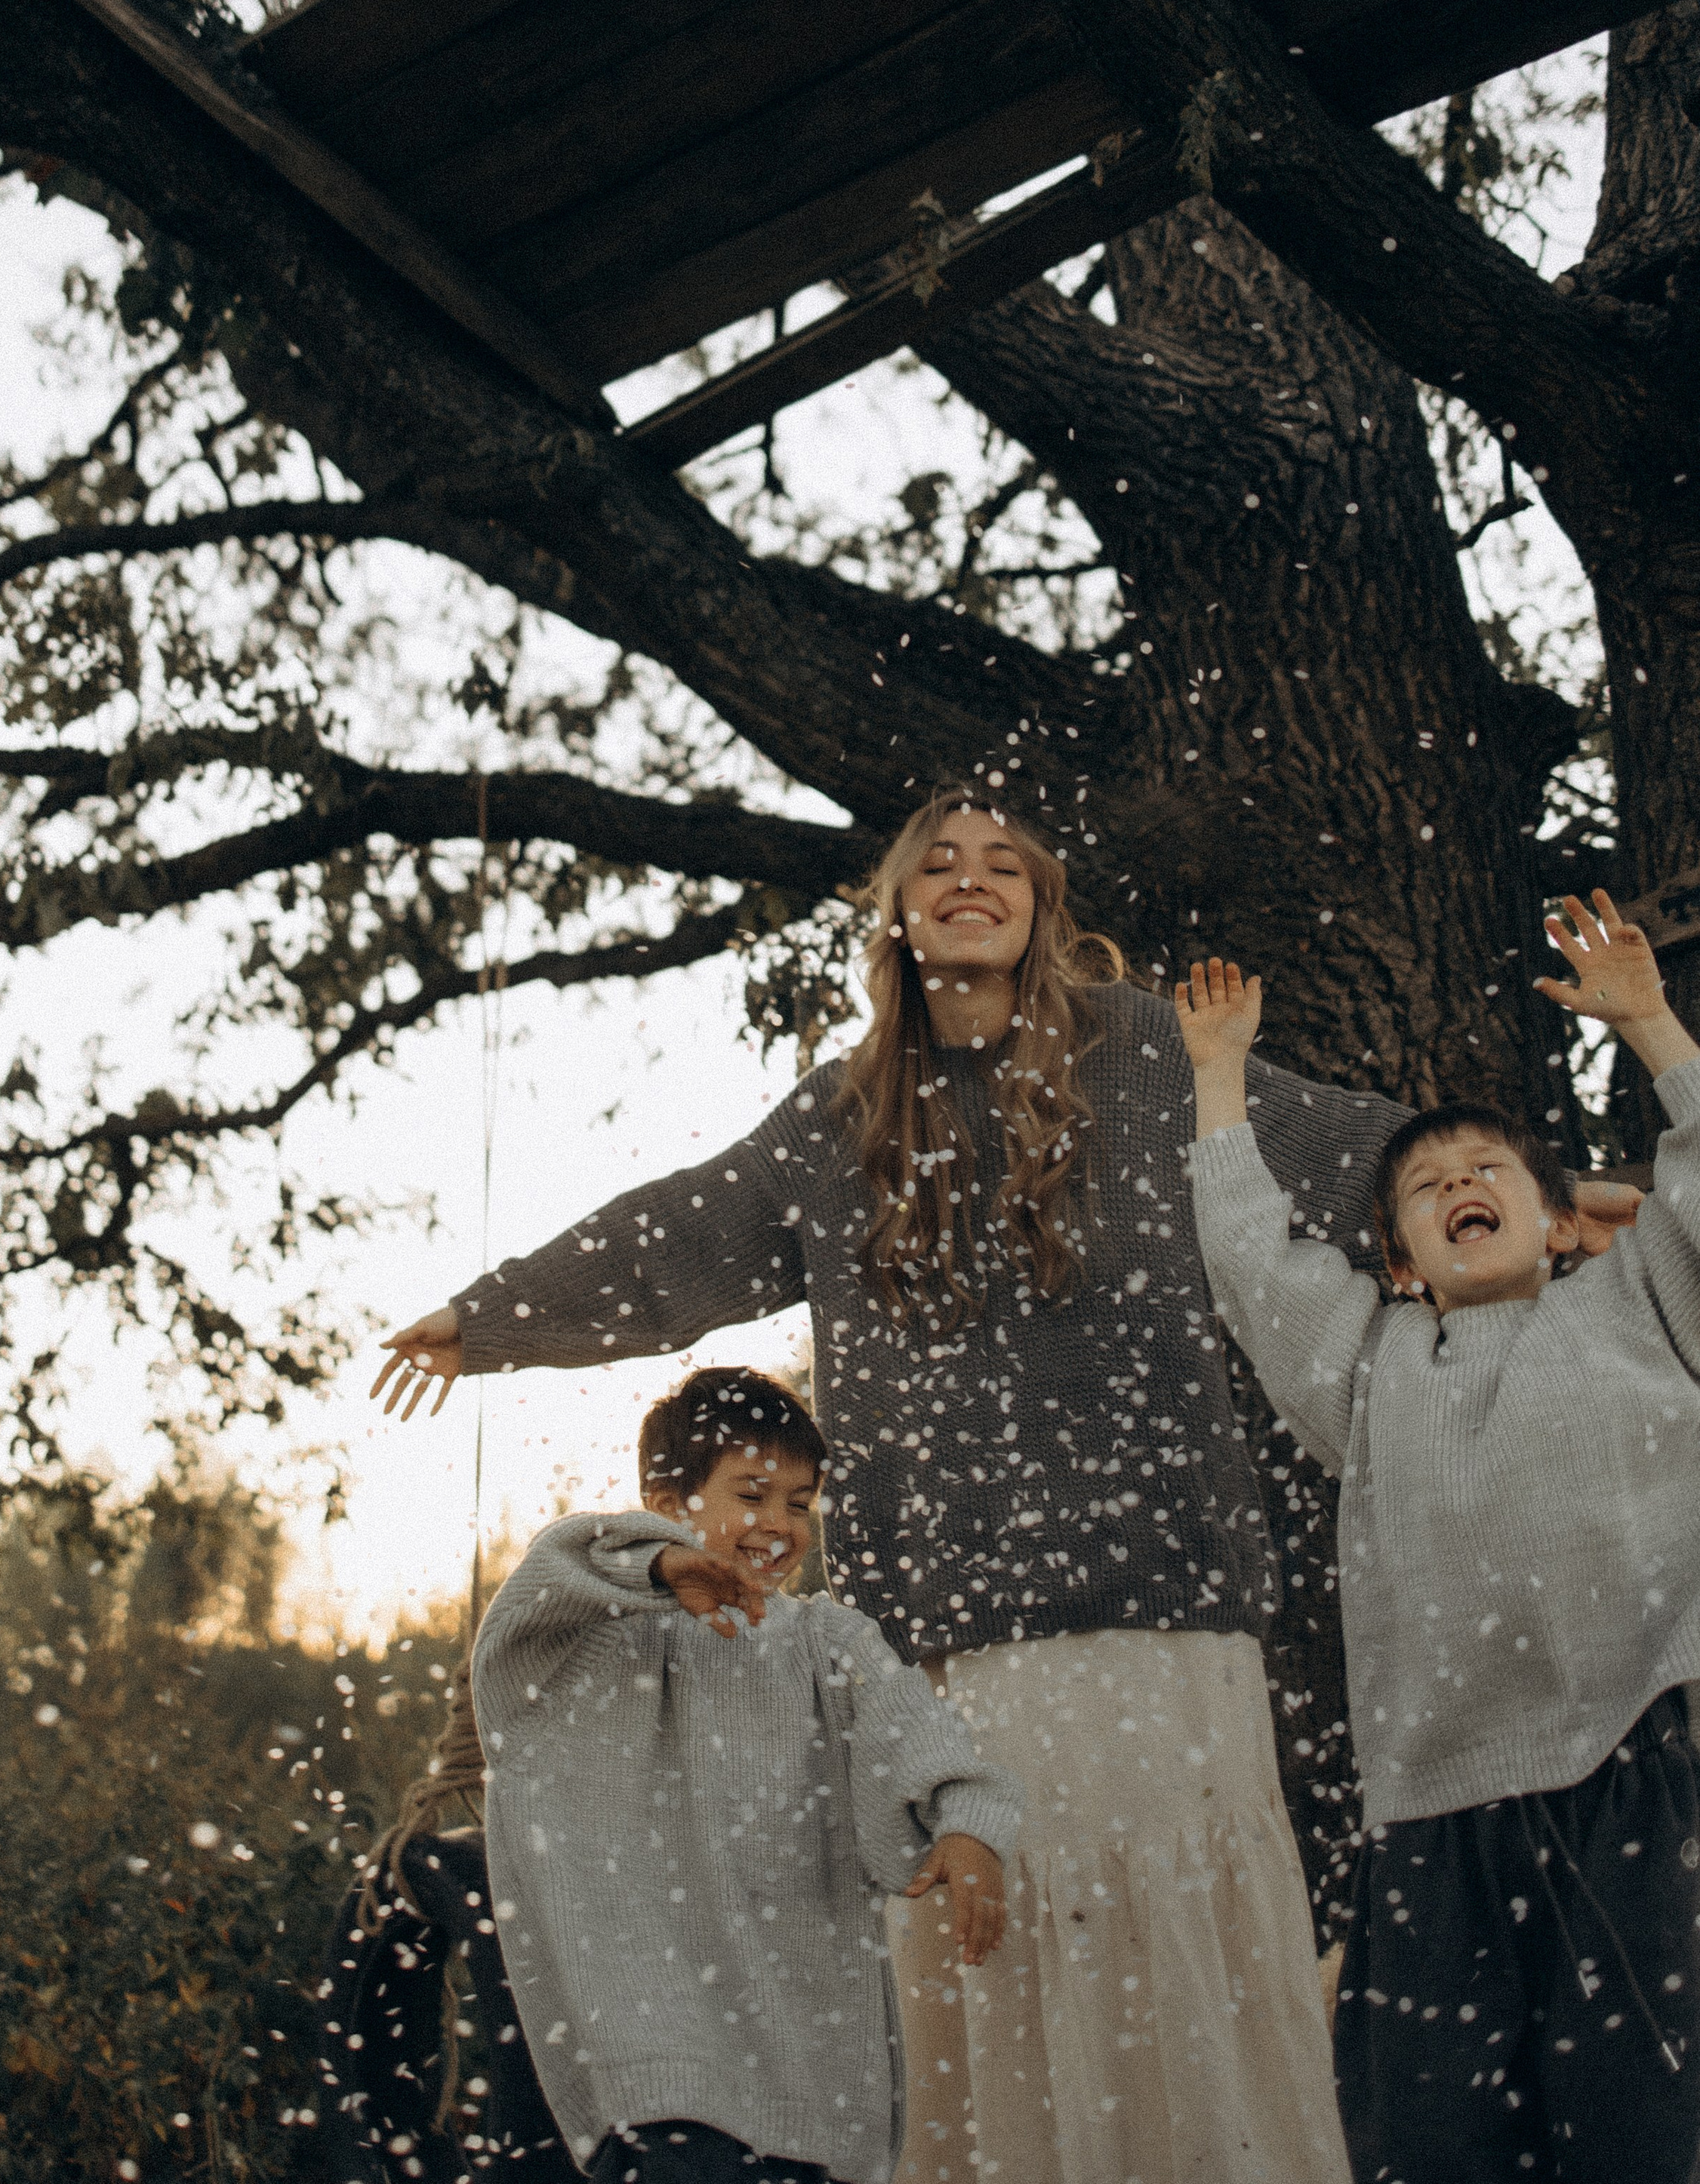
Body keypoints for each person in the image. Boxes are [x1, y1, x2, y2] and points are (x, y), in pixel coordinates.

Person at [377, 785, 1638, 2184]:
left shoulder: (1149, 1056)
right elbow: (679, 1229)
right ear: (899, 909)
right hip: (942, 1652)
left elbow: (1344, 1151)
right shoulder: (840, 1119)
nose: (969, 883)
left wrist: (1561, 1187)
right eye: (939, 865)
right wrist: (490, 1318)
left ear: (1042, 908)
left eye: (1002, 867)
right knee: (988, 1998)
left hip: (1164, 1622)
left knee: (1175, 1986)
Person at [1175, 891, 1700, 2184]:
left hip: (1642, 1767)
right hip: (1435, 1813)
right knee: (1436, 2142)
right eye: (1426, 1189)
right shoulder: (1366, 1363)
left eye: (1490, 1173)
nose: (1462, 1186)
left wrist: (1653, 1029)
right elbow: (1249, 1259)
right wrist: (1218, 1078)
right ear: (1400, 1261)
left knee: (1649, 2128)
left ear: (1561, 1217)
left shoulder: (1644, 1305)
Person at [469, 1364, 1021, 2184]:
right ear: (664, 1502)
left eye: (798, 1503)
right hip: (653, 2040)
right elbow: (533, 1598)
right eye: (751, 1494)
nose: (778, 1525)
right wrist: (656, 1569)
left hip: (810, 2055)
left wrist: (967, 1822)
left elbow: (914, 1726)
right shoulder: (595, 1642)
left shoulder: (828, 1640)